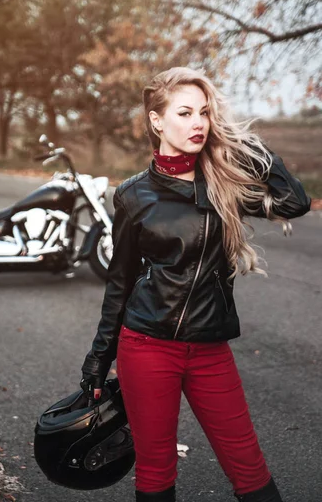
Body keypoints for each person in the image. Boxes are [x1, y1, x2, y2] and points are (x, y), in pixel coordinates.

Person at [80, 67, 314, 502]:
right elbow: (121, 280)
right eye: (184, 113)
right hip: (147, 346)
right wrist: (99, 357)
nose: (198, 123)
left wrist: (248, 146)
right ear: (157, 121)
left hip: (210, 349)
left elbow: (295, 201)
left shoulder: (224, 185)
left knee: (250, 469)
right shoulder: (133, 195)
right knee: (155, 473)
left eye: (204, 113)